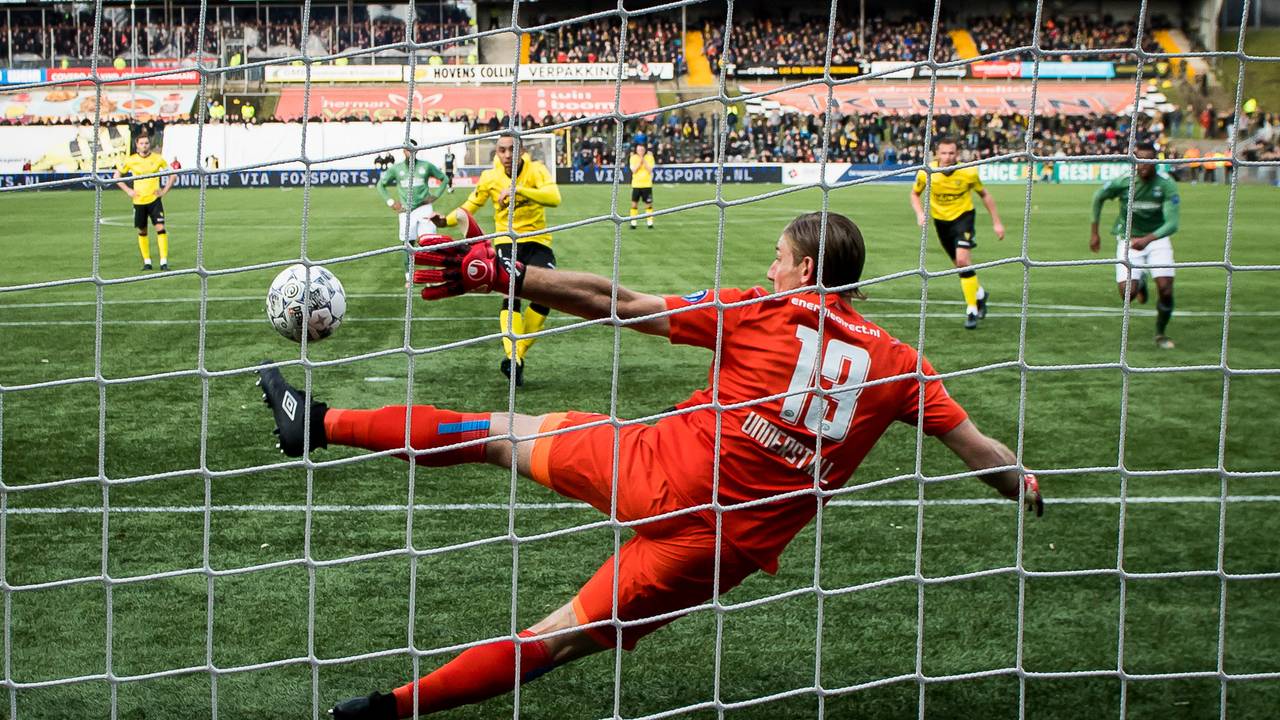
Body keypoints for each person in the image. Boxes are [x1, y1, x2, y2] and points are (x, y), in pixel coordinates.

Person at [254, 210, 1044, 720]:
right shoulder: (901, 365)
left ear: (805, 272)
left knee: (498, 433)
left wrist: (502, 274)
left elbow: (617, 303)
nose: (770, 269)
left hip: (655, 469)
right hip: (721, 550)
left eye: (777, 258)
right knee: (554, 641)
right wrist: (1023, 484)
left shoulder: (763, 311)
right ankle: (383, 712)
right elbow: (983, 454)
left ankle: (318, 424)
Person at [429, 135, 561, 386]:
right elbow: (470, 205)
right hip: (506, 242)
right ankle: (513, 357)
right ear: (496, 153)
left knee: (548, 294)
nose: (507, 155)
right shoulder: (490, 177)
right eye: (502, 150)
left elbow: (554, 198)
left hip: (538, 241)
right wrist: (444, 220)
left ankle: (516, 357)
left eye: (512, 149)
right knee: (511, 292)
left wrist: (518, 190)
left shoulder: (537, 170)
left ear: (521, 150)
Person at [1089, 143, 1180, 350]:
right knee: (1127, 294)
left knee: (1166, 289)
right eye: (1139, 160)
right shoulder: (1124, 181)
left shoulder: (1166, 185)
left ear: (1155, 161)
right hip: (1128, 239)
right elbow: (1098, 197)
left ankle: (1160, 333)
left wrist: (1148, 239)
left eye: (1148, 161)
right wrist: (1095, 233)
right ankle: (1141, 282)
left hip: (1157, 240)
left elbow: (1172, 223)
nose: (1143, 165)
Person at [909, 136, 1006, 330]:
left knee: (962, 261)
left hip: (963, 219)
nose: (947, 157)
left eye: (951, 153)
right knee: (961, 268)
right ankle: (979, 294)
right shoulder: (926, 172)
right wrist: (920, 213)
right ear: (937, 153)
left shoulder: (968, 172)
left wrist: (997, 222)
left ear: (957, 154)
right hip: (941, 222)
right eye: (943, 153)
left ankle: (972, 310)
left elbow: (984, 194)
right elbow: (914, 194)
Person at [376, 140, 450, 286]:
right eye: (407, 149)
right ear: (403, 151)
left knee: (429, 242)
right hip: (406, 211)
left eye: (412, 149)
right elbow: (380, 185)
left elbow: (444, 178)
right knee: (407, 244)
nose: (409, 152)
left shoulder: (426, 166)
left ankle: (431, 277)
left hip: (424, 209)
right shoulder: (397, 169)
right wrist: (391, 202)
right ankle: (409, 277)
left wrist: (435, 195)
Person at [112, 134, 175, 271]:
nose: (144, 145)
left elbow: (173, 174)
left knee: (160, 228)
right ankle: (147, 262)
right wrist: (128, 190)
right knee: (142, 230)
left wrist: (164, 191)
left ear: (149, 144)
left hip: (154, 200)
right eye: (142, 143)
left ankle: (163, 262)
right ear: (137, 145)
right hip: (139, 201)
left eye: (146, 143)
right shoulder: (131, 160)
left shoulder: (157, 159)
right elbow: (116, 176)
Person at [628, 143, 656, 230]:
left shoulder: (649, 157)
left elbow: (650, 170)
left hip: (647, 185)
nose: (640, 151)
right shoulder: (633, 158)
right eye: (639, 149)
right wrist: (640, 161)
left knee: (648, 205)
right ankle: (633, 222)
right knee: (634, 204)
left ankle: (650, 223)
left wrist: (644, 160)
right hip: (636, 185)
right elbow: (634, 170)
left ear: (645, 150)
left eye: (642, 150)